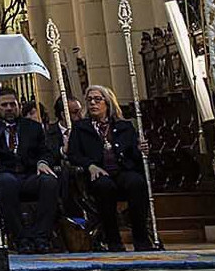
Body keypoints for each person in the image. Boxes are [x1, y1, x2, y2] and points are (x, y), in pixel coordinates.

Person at [65, 84, 154, 251]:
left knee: (136, 182)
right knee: (105, 186)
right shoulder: (81, 128)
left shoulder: (124, 126)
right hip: (97, 174)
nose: (93, 103)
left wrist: (141, 150)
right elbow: (74, 155)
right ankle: (113, 240)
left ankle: (142, 240)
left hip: (122, 171)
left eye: (97, 99)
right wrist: (90, 165)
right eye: (89, 100)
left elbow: (133, 155)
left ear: (107, 103)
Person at [0, 86, 62, 253]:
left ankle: (41, 236)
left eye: (12, 104)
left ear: (19, 105)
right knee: (6, 183)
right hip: (7, 174)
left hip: (30, 174)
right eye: (4, 105)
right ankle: (21, 238)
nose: (9, 108)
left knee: (49, 181)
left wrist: (42, 162)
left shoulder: (33, 127)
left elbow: (46, 151)